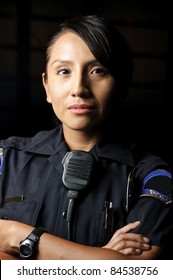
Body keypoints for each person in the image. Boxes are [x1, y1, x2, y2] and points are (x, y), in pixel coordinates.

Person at [0, 14, 173, 260]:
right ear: (46, 86)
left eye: (97, 70)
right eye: (63, 71)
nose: (79, 88)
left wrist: (15, 236)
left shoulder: (151, 176)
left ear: (123, 83)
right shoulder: (5, 160)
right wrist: (102, 258)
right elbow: (114, 270)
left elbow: (136, 275)